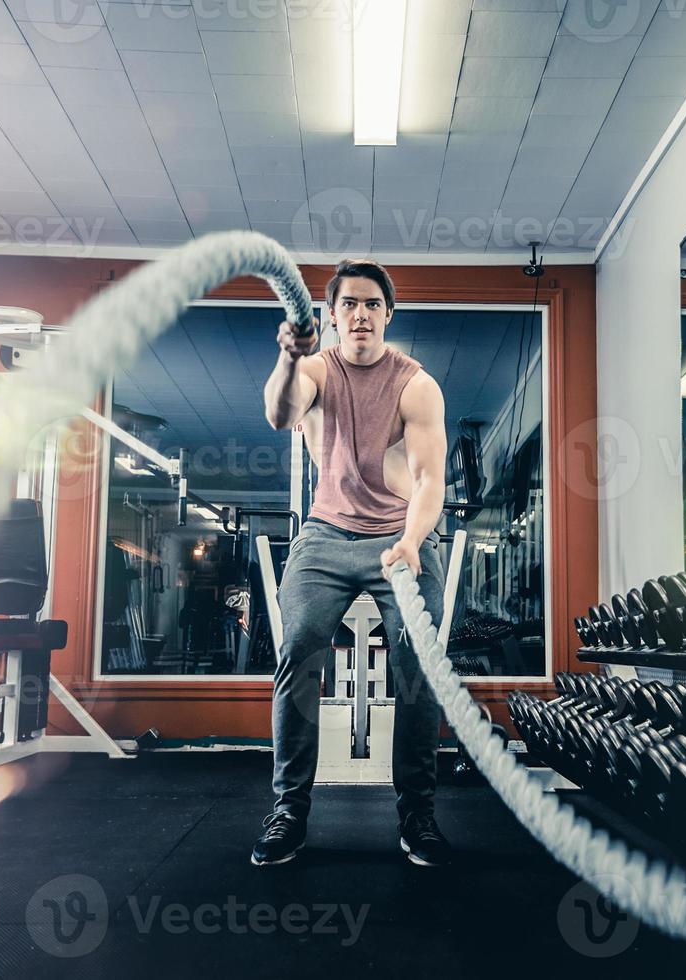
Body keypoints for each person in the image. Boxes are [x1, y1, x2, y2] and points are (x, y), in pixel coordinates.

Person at [251, 259, 451, 867]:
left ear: (388, 314)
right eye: (349, 305)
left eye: (372, 304)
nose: (360, 314)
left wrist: (414, 541)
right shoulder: (314, 368)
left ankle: (417, 815)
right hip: (327, 535)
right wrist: (288, 355)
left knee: (419, 662)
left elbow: (427, 479)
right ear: (331, 316)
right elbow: (281, 415)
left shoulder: (416, 384)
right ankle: (289, 809)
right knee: (300, 647)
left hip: (401, 534)